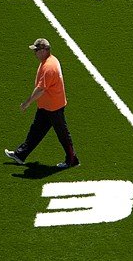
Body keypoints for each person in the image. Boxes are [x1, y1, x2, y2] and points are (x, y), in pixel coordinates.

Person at [5, 38, 80, 169]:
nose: (35, 53)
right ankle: (20, 155)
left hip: (54, 107)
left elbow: (40, 89)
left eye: (37, 50)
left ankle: (72, 160)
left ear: (45, 51)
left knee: (63, 135)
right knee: (35, 131)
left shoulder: (49, 67)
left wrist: (27, 103)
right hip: (46, 106)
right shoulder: (47, 62)